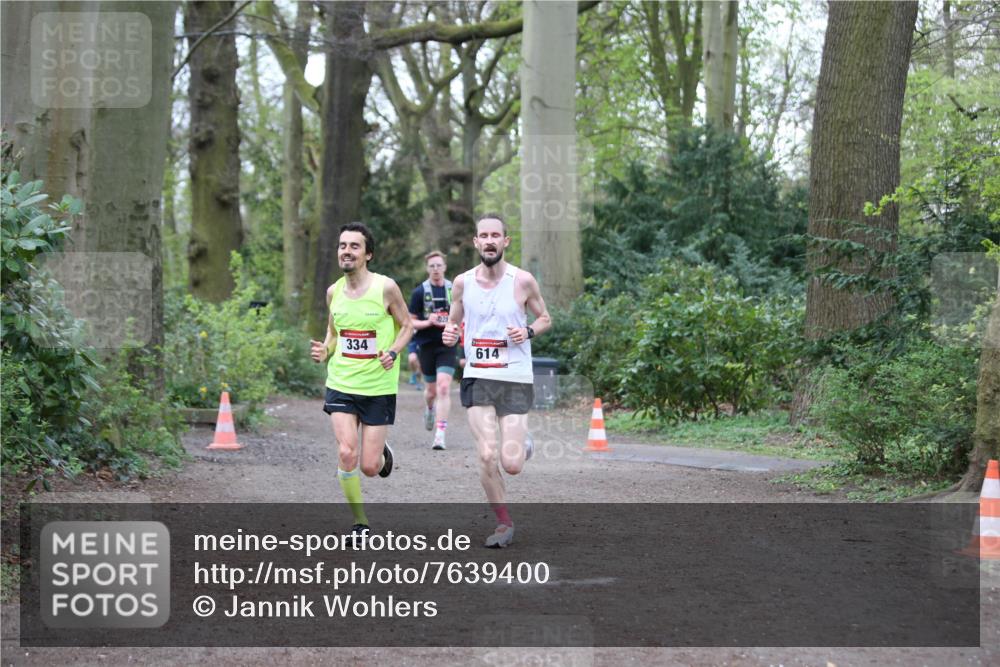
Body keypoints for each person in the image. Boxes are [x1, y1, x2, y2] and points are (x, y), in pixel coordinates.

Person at [442, 214, 551, 548]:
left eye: (495, 235)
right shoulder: (461, 283)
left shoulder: (523, 281)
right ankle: (504, 524)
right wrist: (449, 332)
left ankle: (522, 442)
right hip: (478, 376)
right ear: (476, 242)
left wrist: (529, 331)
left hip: (515, 377)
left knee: (512, 463)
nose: (489, 241)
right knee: (487, 454)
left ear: (506, 241)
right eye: (483, 236)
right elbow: (453, 321)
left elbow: (545, 318)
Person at [310, 222, 413, 538]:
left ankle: (381, 453)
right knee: (346, 452)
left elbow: (407, 326)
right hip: (341, 383)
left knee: (369, 466)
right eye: (342, 245)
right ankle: (360, 522)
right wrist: (325, 350)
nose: (346, 251)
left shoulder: (386, 288)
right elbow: (333, 332)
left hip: (378, 388)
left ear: (367, 254)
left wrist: (394, 352)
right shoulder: (333, 292)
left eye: (354, 246)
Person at [409, 251, 457, 450]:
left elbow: (466, 315)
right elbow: (410, 322)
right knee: (431, 391)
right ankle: (429, 408)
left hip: (448, 345)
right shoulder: (419, 292)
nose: (436, 269)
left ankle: (440, 434)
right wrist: (429, 321)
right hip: (427, 345)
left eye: (439, 265)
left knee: (444, 387)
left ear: (445, 267)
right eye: (432, 266)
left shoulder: (454, 289)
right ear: (427, 269)